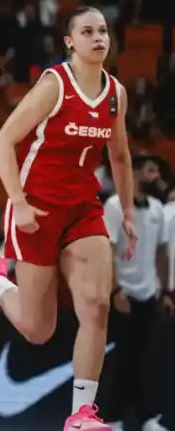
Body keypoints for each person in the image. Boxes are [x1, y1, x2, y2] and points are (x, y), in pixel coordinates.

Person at [0, 6, 136, 431]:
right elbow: (4, 142)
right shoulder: (53, 85)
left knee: (96, 305)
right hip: (36, 208)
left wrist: (128, 211)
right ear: (69, 42)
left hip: (82, 209)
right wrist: (18, 202)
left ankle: (81, 413)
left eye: (103, 31)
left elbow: (119, 155)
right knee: (39, 330)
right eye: (88, 31)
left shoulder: (116, 93)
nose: (98, 37)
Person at [102, 158, 172, 430]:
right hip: (124, 294)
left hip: (149, 294)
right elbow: (106, 251)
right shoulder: (115, 206)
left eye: (157, 170)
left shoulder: (158, 209)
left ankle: (144, 418)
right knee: (124, 360)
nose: (155, 175)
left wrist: (165, 291)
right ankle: (114, 418)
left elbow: (161, 253)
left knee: (143, 359)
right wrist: (114, 290)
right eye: (150, 170)